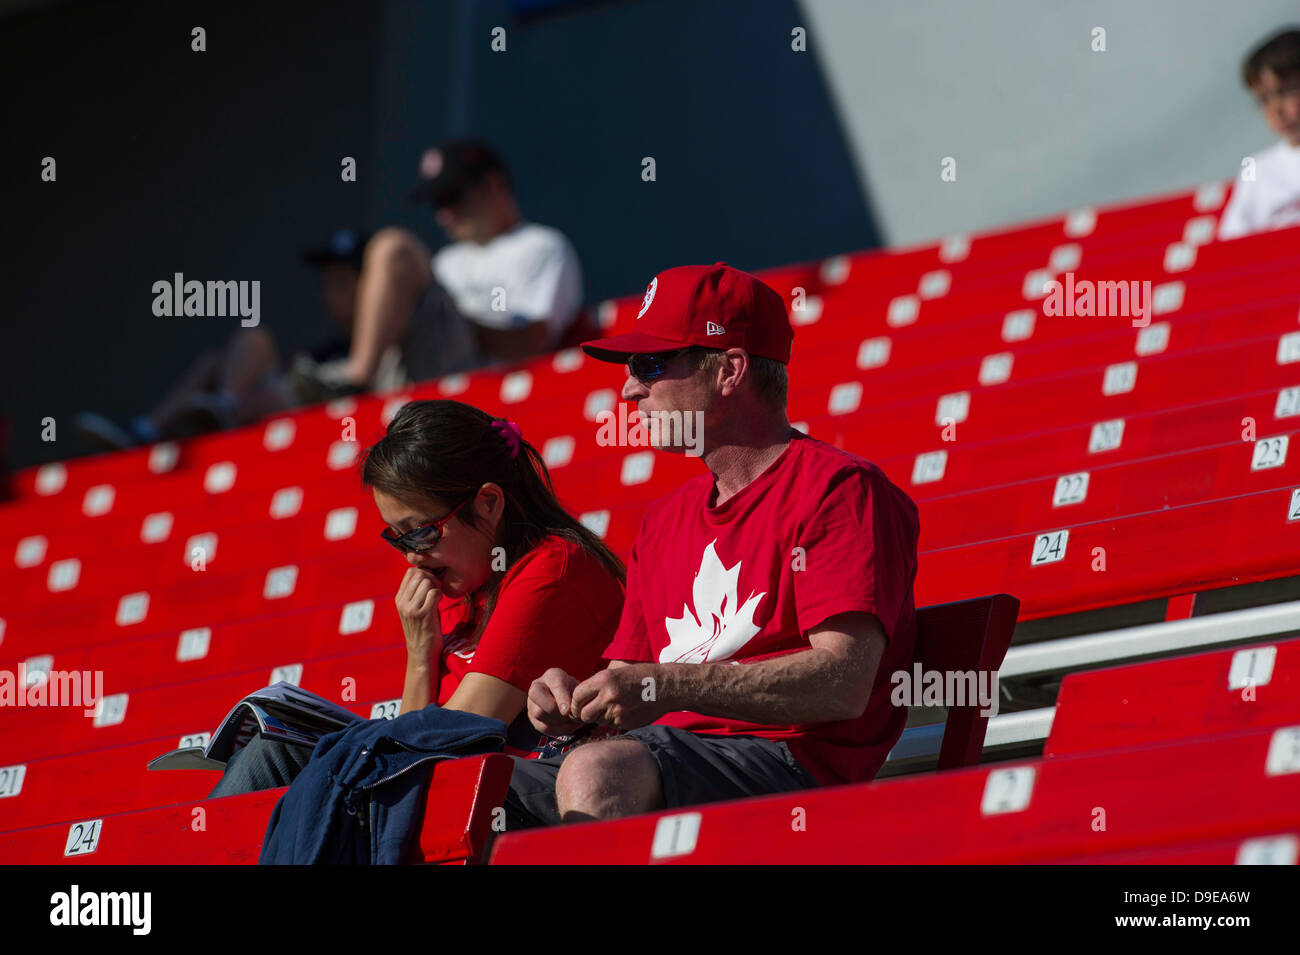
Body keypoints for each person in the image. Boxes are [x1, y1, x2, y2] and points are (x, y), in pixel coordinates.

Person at [502, 262, 922, 830]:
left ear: (729, 370)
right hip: (657, 756)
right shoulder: (663, 520)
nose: (628, 389)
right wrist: (573, 703)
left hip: (787, 772)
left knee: (598, 775)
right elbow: (629, 682)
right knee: (463, 791)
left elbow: (842, 683)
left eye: (650, 365)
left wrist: (663, 686)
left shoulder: (840, 490)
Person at [207, 399, 625, 797]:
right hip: (453, 788)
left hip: (521, 793)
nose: (410, 555)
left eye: (421, 531)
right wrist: (420, 655)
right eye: (396, 536)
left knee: (275, 757)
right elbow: (411, 746)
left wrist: (422, 655)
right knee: (271, 751)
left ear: (489, 503)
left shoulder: (551, 570)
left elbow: (457, 737)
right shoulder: (459, 584)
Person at [291, 140, 585, 402]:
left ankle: (355, 379)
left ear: (495, 186)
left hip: (483, 375)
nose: (443, 214)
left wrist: (458, 321)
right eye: (436, 202)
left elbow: (532, 341)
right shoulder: (447, 259)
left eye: (453, 197)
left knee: (393, 248)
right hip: (421, 371)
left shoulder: (541, 245)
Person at [75, 228, 372, 450]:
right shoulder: (325, 349)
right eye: (327, 284)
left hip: (326, 433)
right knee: (226, 354)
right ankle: (150, 428)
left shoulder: (381, 345)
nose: (328, 295)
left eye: (341, 283)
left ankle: (217, 414)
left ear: (371, 286)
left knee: (261, 374)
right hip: (283, 414)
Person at [1218, 27, 1300, 240]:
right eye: (1264, 100)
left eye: (1283, 92)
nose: (1275, 109)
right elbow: (1233, 240)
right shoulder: (1255, 167)